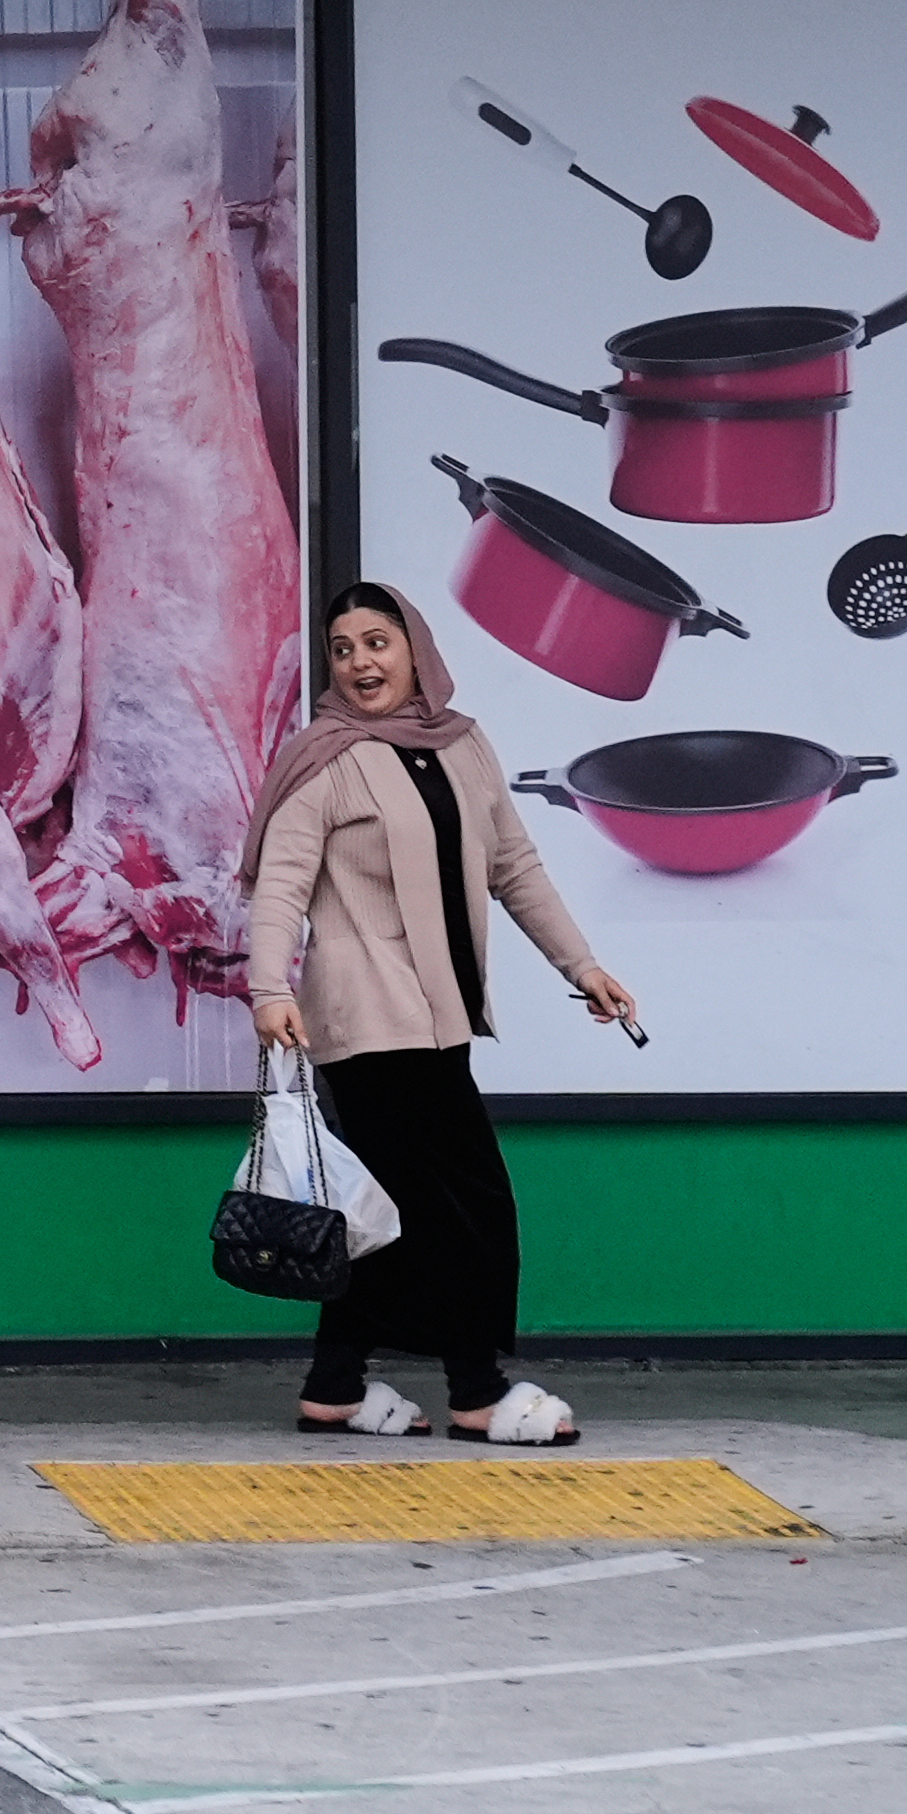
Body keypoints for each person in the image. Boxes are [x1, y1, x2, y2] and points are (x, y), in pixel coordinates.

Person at [241, 581, 645, 1448]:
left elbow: (516, 866)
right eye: (343, 648)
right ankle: (476, 1390)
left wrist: (585, 965)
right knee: (467, 1206)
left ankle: (336, 1384)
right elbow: (280, 882)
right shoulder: (324, 758)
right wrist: (269, 988)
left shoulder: (463, 747)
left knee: (389, 1210)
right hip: (365, 1018)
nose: (360, 662)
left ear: (414, 647)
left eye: (377, 641)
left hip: (440, 1019)